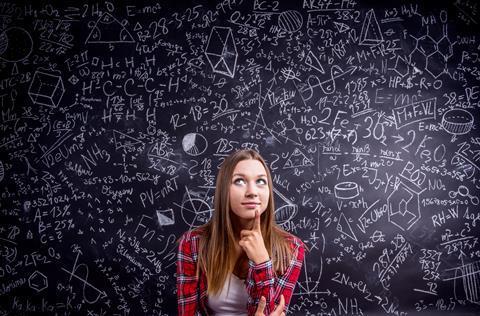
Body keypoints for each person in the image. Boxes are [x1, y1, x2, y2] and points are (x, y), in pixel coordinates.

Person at [177, 149, 305, 315]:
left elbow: (267, 312)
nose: (252, 192)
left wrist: (262, 263)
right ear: (224, 190)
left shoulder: (291, 248)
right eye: (239, 181)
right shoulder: (192, 244)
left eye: (260, 181)